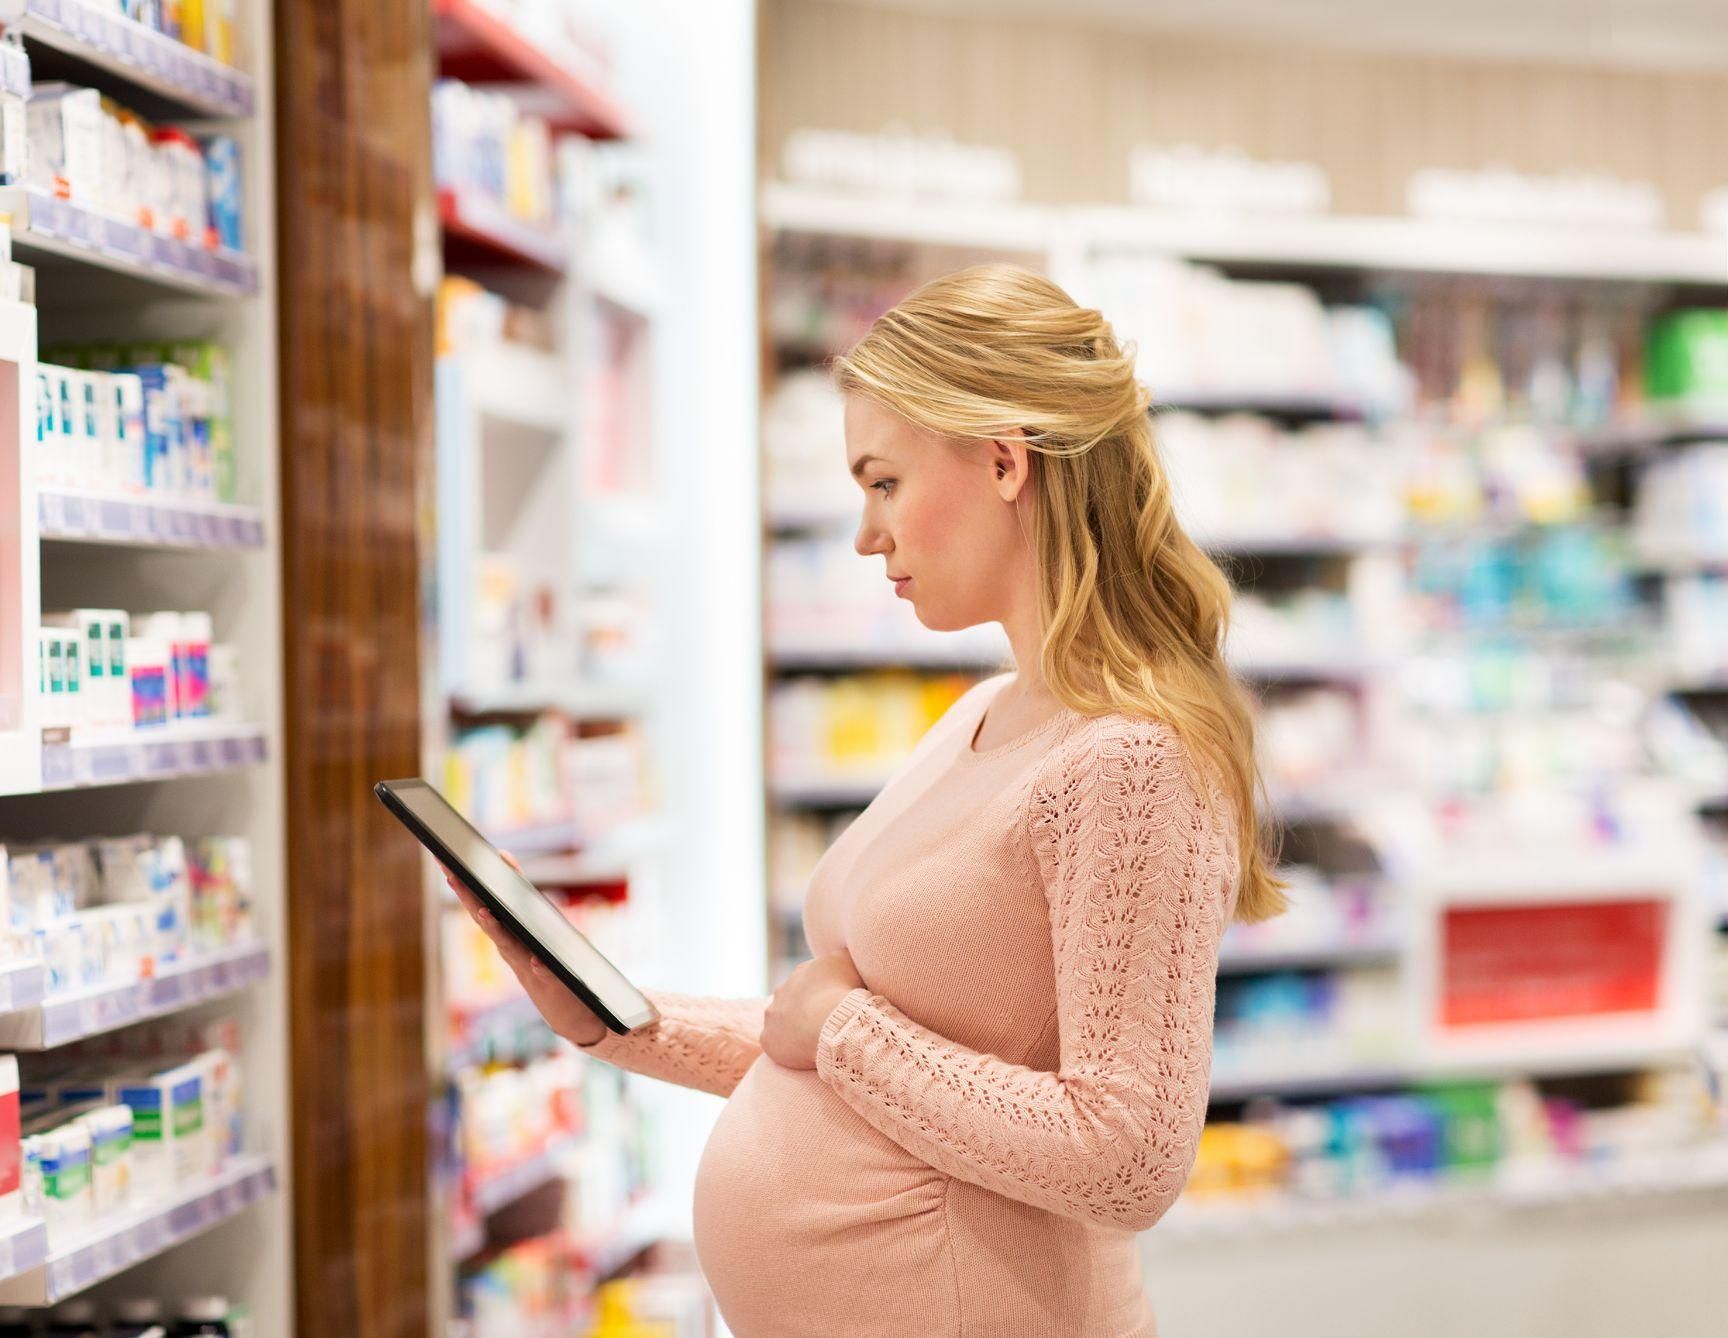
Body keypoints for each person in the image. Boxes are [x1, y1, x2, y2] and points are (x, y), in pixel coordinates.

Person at [444, 263, 1285, 1337]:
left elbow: (1125, 1160)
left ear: (999, 461)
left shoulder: (1130, 760)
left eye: (881, 482)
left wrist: (843, 1029)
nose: (863, 533)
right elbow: (848, 1055)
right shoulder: (986, 711)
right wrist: (625, 1023)